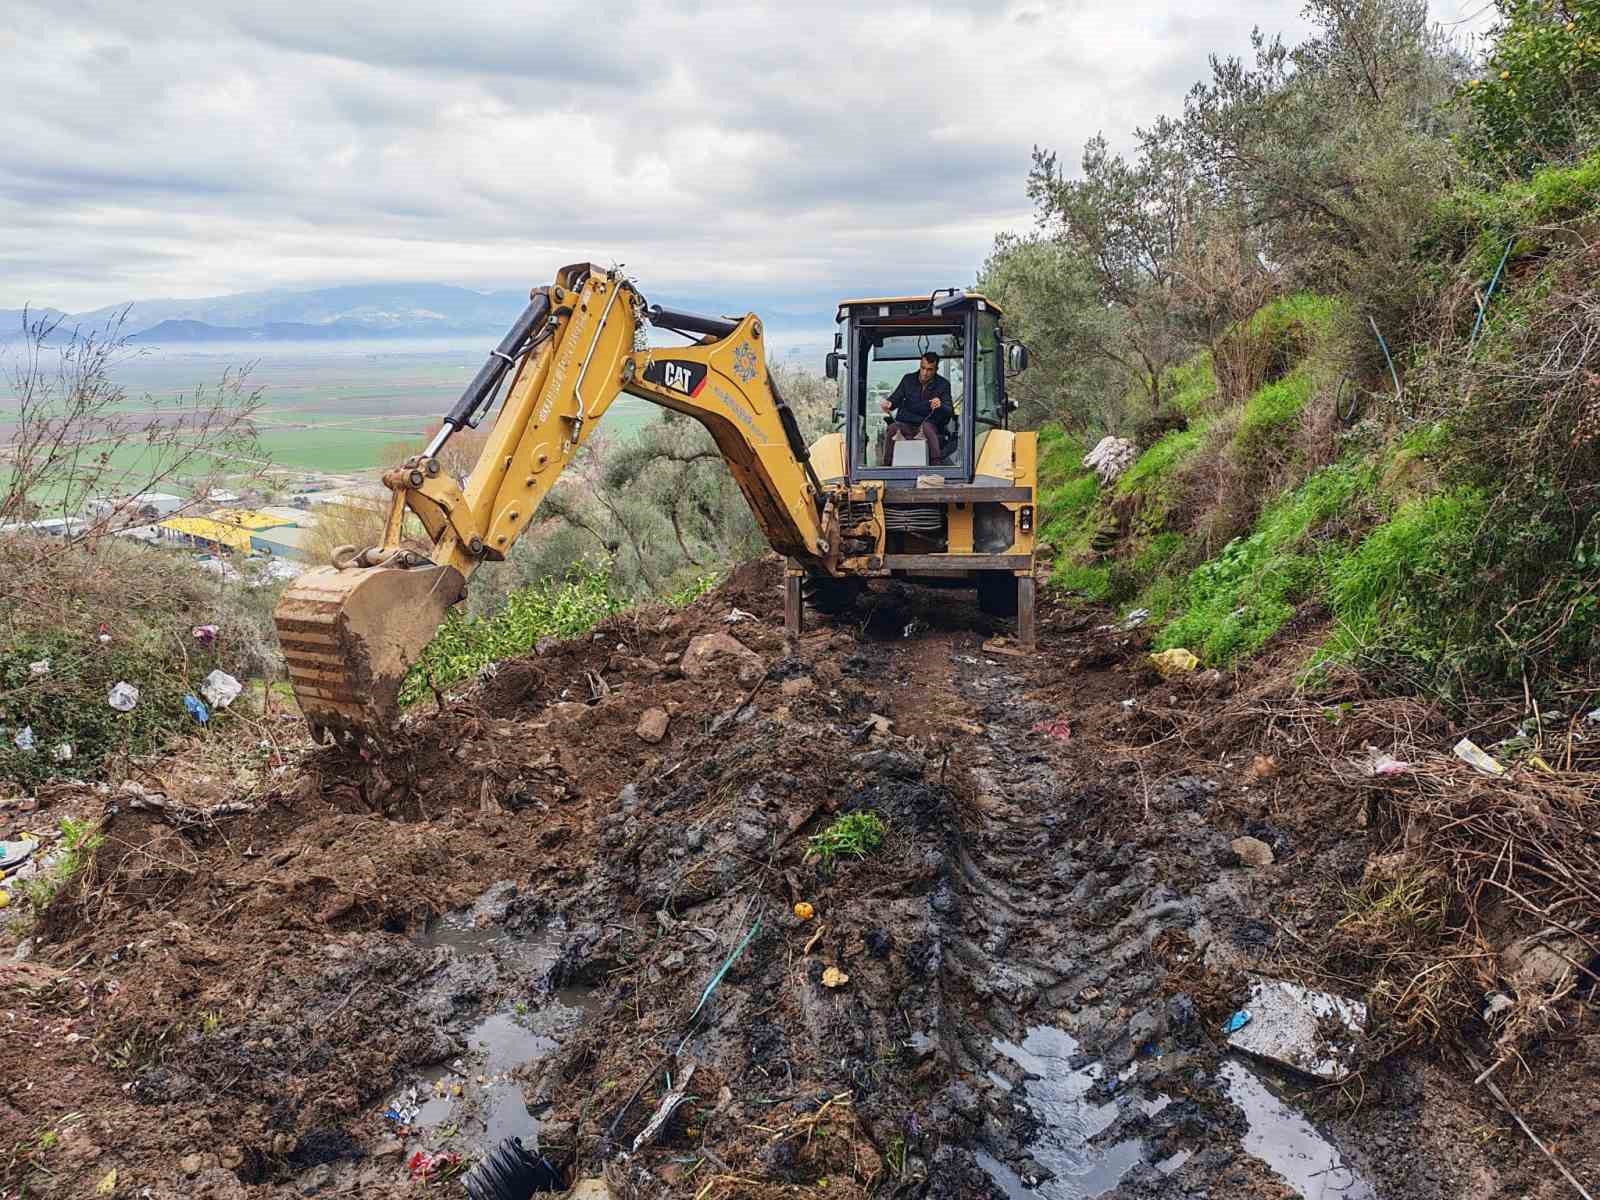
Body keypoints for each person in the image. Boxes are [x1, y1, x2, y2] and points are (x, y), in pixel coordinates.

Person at [879, 351, 952, 465]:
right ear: (920, 365)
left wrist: (940, 405)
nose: (925, 373)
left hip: (929, 424)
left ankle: (936, 466)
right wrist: (889, 403)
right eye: (923, 368)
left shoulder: (943, 384)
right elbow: (895, 398)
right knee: (893, 428)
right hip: (907, 424)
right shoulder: (908, 380)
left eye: (929, 370)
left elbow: (949, 410)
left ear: (936, 369)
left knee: (927, 428)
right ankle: (886, 466)